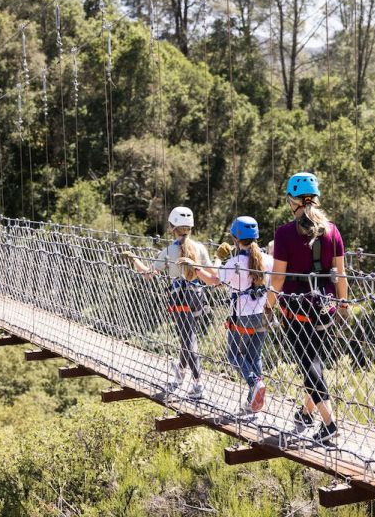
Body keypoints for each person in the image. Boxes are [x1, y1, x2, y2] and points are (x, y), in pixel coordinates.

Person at [266, 172, 347, 445]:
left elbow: (277, 278)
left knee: (308, 363)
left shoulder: (284, 234)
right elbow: (341, 274)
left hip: (296, 310)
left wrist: (269, 304)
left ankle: (329, 422)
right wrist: (344, 304)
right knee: (316, 359)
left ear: (292, 202)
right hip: (326, 307)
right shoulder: (332, 231)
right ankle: (304, 413)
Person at [185, 216, 272, 414]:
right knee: (254, 356)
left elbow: (214, 279)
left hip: (241, 315)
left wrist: (196, 267)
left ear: (234, 237)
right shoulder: (268, 259)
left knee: (234, 356)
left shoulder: (235, 262)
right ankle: (253, 402)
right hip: (263, 313)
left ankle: (254, 383)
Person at [124, 206, 212, 399]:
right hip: (198, 296)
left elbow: (148, 274)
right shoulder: (200, 248)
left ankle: (198, 384)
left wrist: (134, 259)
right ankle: (180, 371)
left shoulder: (168, 251)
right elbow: (211, 274)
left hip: (180, 298)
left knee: (188, 339)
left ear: (172, 226)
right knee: (187, 335)